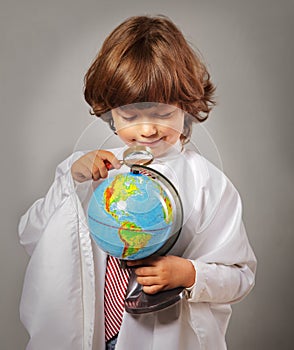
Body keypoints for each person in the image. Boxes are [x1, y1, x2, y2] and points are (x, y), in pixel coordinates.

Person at [18, 15, 256, 350]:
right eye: (130, 116)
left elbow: (240, 275)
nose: (147, 130)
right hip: (89, 333)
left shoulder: (208, 185)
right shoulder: (87, 171)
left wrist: (189, 274)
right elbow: (32, 236)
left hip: (163, 336)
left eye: (163, 114)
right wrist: (72, 184)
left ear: (186, 108)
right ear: (110, 112)